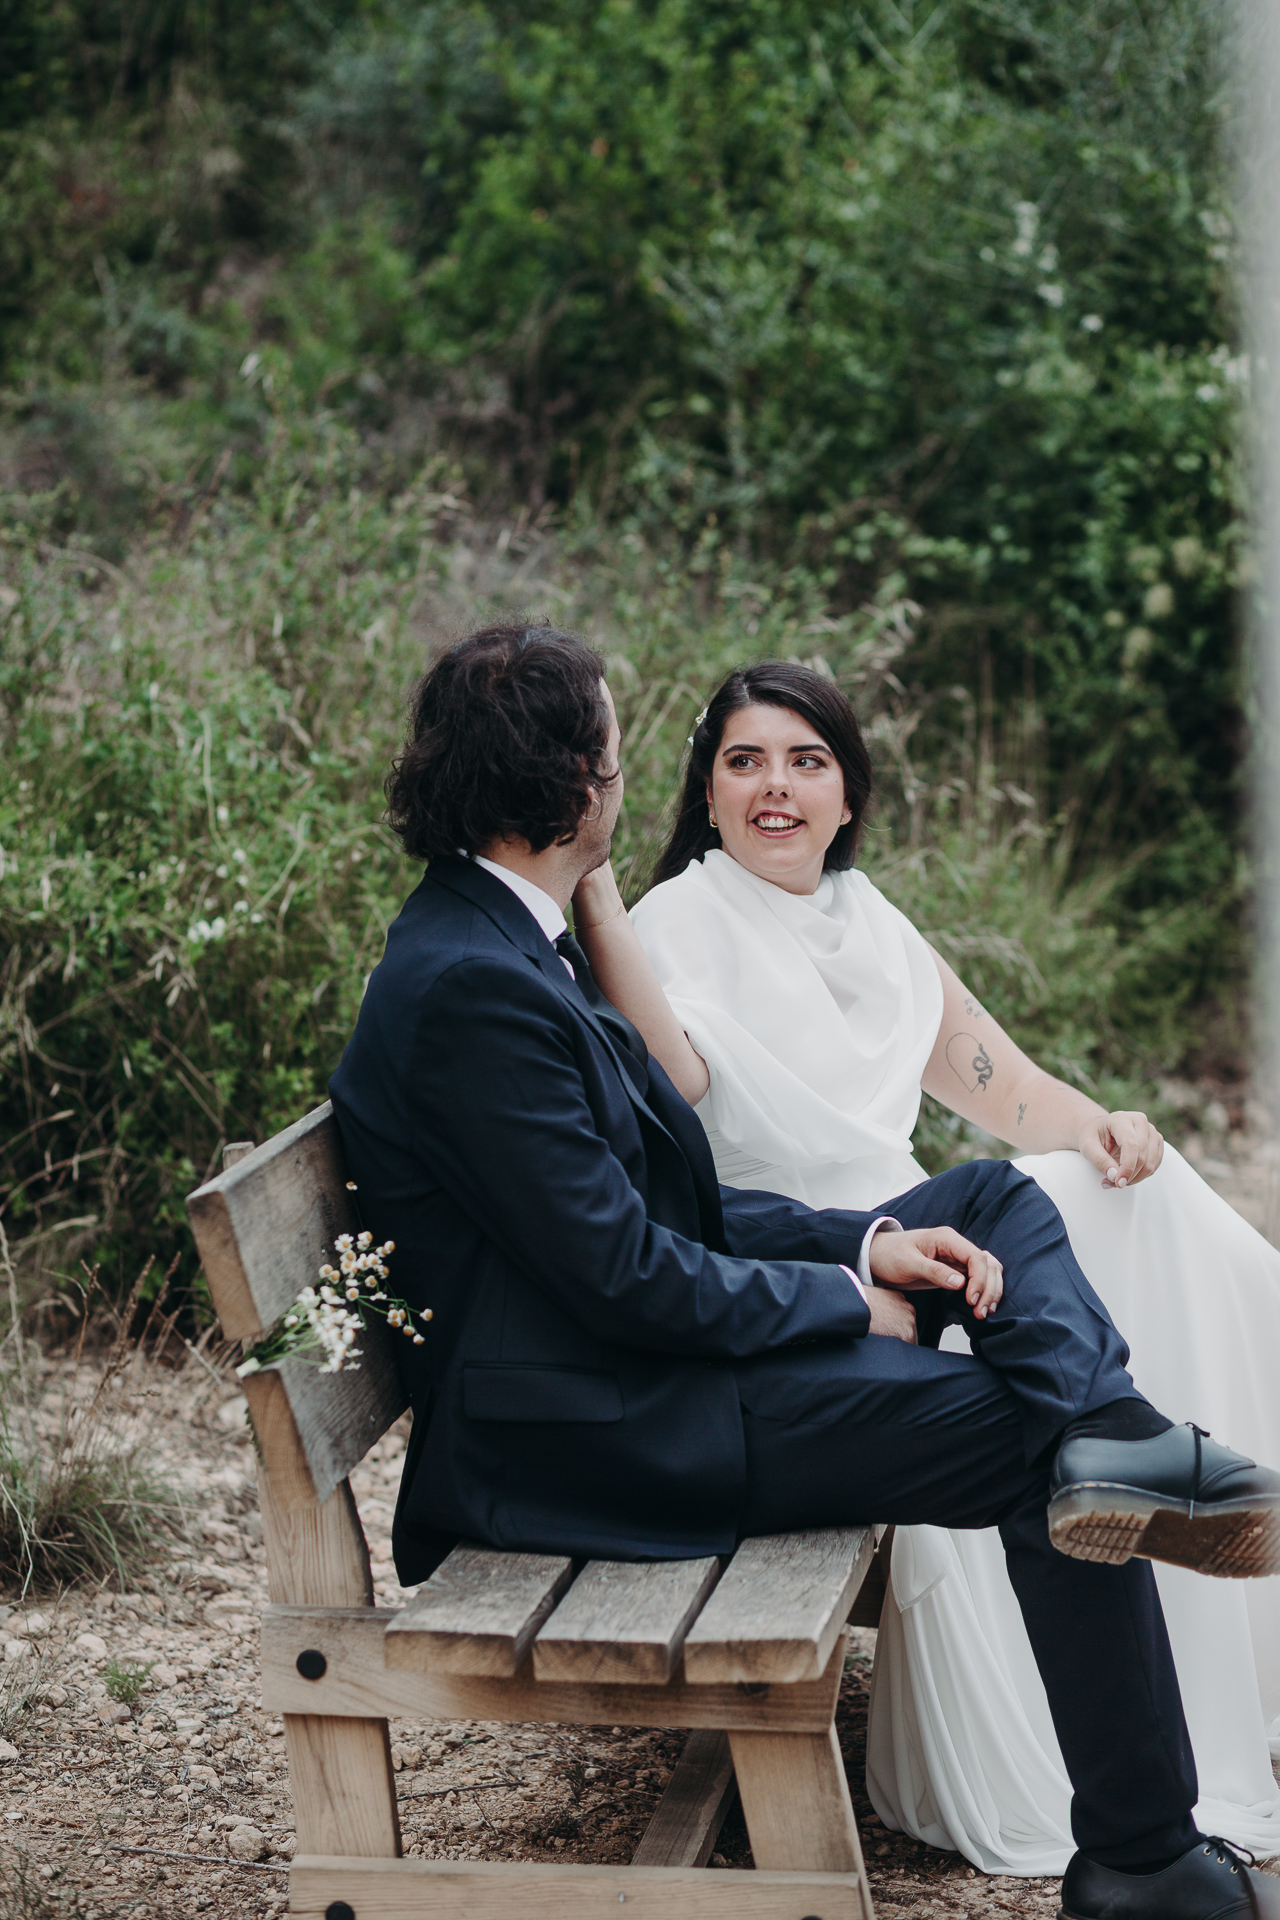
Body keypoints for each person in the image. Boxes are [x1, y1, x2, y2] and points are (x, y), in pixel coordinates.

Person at [329, 621, 1280, 1920]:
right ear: (571, 785)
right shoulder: (472, 987)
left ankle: (1113, 1432)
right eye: (613, 754)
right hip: (596, 1431)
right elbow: (628, 1276)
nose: (623, 780)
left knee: (992, 1198)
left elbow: (667, 1209)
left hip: (621, 1372)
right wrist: (847, 1297)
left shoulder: (503, 941)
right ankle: (1147, 1859)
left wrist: (862, 1240)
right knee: (1028, 1439)